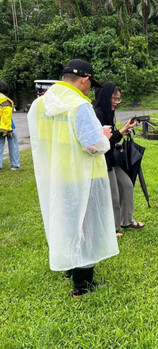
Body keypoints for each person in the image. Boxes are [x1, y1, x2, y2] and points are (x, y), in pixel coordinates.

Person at [28, 59, 119, 298]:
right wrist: (105, 135)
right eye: (91, 83)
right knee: (87, 227)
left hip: (57, 174)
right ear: (85, 79)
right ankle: (83, 285)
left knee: (68, 221)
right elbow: (92, 145)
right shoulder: (79, 105)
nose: (91, 89)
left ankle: (68, 267)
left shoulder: (40, 104)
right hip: (83, 175)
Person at [93, 82, 142, 237]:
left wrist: (123, 131)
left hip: (112, 157)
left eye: (118, 99)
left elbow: (112, 136)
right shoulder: (97, 114)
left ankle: (126, 220)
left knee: (127, 185)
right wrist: (121, 131)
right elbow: (102, 139)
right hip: (103, 160)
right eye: (113, 98)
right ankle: (112, 229)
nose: (116, 102)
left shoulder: (108, 112)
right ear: (104, 96)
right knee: (113, 195)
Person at [0, 81, 20, 171]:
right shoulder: (6, 100)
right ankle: (15, 164)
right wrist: (10, 129)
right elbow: (7, 116)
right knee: (13, 144)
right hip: (7, 127)